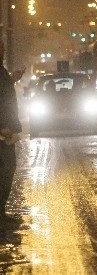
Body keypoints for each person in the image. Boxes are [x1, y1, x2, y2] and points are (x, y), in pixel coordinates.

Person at [0, 38, 23, 223]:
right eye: (1, 45)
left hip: (5, 131)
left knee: (7, 168)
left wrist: (11, 78)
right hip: (2, 132)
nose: (4, 48)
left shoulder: (2, 72)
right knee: (6, 168)